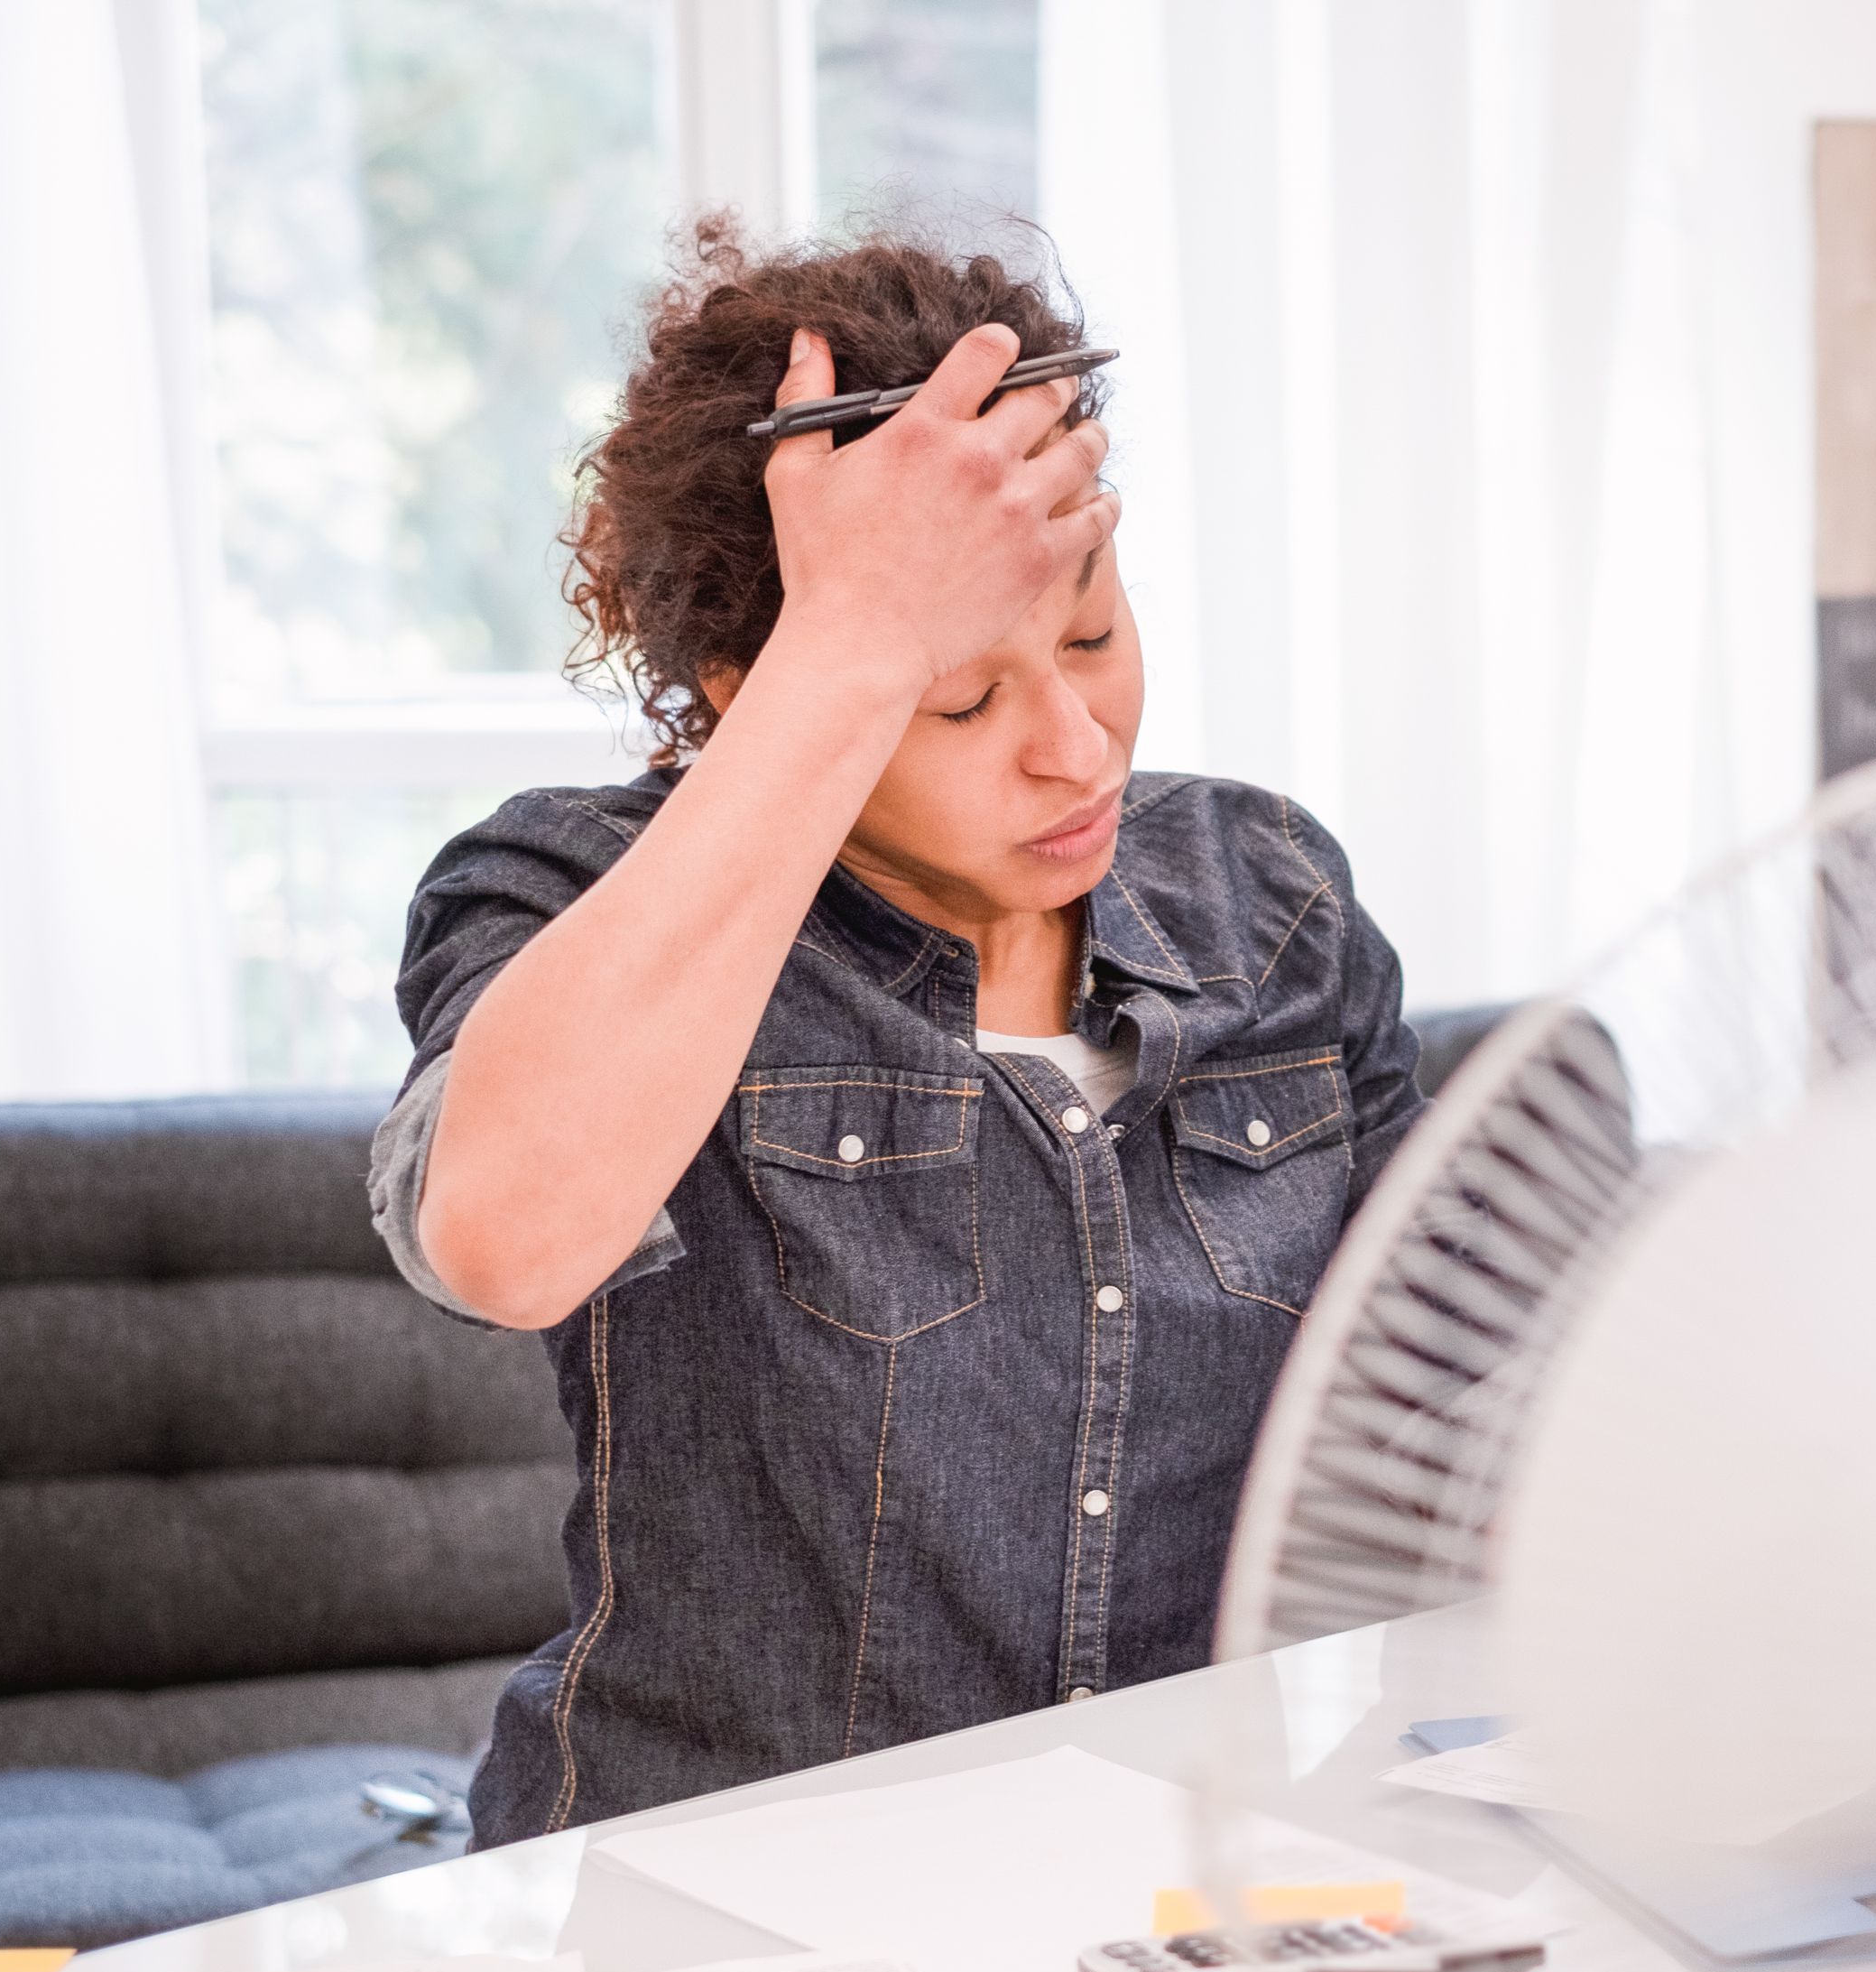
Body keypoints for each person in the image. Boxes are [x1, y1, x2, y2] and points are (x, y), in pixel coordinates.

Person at [370, 219, 1423, 1847]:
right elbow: (501, 1243)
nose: (1077, 750)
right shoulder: (580, 891)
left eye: (1091, 635)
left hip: (1176, 1903)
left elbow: (1440, 1395)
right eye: (959, 698)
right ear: (754, 684)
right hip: (721, 1908)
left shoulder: (1269, 896)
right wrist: (858, 633)